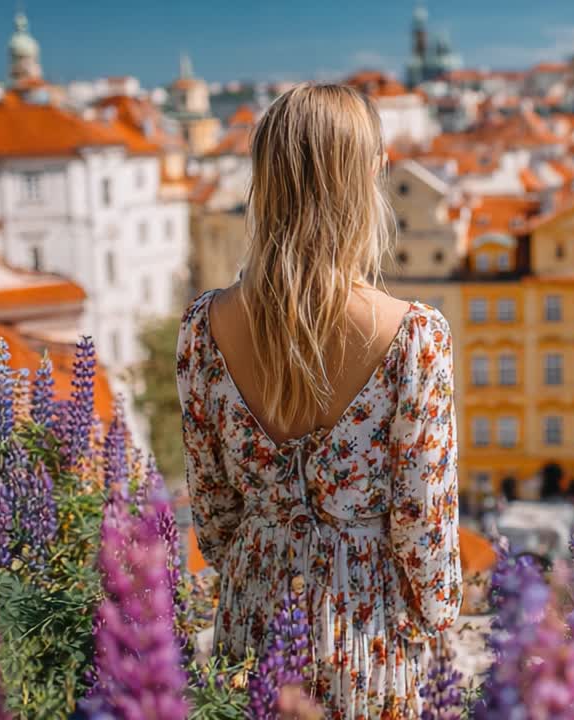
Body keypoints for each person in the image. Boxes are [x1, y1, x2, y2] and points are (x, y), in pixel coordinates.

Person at [175, 84, 461, 717]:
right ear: (366, 179)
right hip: (367, 630)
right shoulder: (414, 335)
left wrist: (269, 547)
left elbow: (215, 518)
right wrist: (438, 627)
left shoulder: (203, 327)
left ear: (263, 182)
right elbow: (424, 527)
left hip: (253, 618)